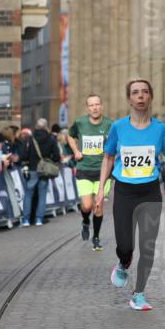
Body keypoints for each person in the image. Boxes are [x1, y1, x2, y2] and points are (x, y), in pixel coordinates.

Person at [94, 79, 165, 311]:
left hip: (150, 192)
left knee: (148, 245)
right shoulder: (118, 128)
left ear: (150, 97)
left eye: (144, 92)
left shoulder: (161, 129)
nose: (140, 95)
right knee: (125, 244)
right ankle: (123, 262)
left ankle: (138, 294)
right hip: (124, 191)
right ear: (129, 99)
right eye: (135, 92)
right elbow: (108, 158)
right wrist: (101, 189)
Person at [67, 94, 113, 250]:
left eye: (97, 104)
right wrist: (75, 151)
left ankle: (96, 237)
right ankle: (86, 221)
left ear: (101, 106)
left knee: (98, 206)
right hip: (84, 169)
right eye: (91, 105)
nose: (94, 107)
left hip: (103, 172)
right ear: (88, 108)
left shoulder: (109, 124)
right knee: (87, 206)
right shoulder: (80, 123)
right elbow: (70, 136)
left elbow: (116, 143)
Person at [19, 118, 61, 227]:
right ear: (46, 127)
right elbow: (56, 156)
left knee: (28, 194)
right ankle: (39, 219)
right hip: (44, 170)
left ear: (36, 127)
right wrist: (49, 159)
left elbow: (23, 155)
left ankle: (26, 220)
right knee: (42, 194)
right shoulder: (51, 139)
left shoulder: (29, 139)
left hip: (32, 168)